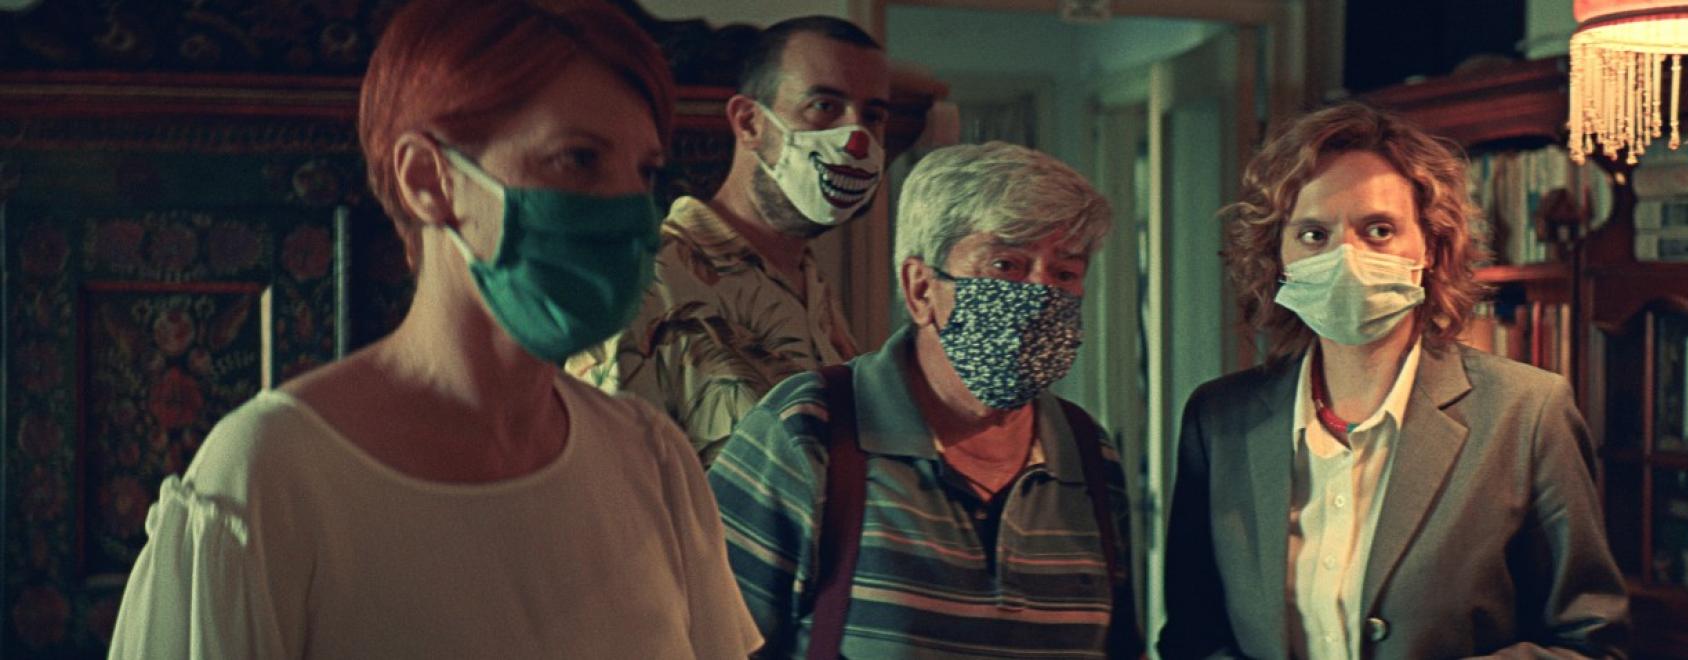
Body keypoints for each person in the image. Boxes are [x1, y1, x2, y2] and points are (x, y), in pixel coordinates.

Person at [108, 1, 759, 657]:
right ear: (428, 179)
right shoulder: (268, 477)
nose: (633, 212)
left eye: (645, 171)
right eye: (578, 159)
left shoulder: (652, 461)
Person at [1158, 103, 1629, 659]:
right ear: (1277, 256)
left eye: (1378, 230)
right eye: (1313, 234)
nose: (1347, 259)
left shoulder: (1527, 412)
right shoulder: (1219, 421)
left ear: (1430, 246)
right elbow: (1191, 637)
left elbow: (1591, 643)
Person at [708, 142, 1141, 658]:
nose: (1039, 297)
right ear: (920, 289)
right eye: (1006, 264)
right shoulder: (808, 431)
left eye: (1064, 274)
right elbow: (708, 641)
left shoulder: (1088, 453)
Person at [568, 16, 891, 465]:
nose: (856, 138)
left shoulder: (812, 288)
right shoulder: (645, 284)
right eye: (824, 106)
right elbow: (603, 478)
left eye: (872, 116)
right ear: (749, 122)